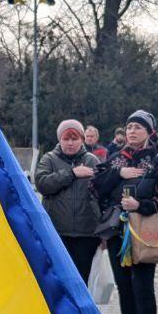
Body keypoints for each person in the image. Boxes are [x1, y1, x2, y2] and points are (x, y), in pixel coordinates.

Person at [92, 110, 158, 314]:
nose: (132, 132)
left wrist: (142, 204)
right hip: (117, 234)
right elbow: (97, 187)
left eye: (138, 127)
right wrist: (119, 175)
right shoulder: (116, 159)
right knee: (124, 289)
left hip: (141, 236)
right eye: (129, 127)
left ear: (149, 132)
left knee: (142, 290)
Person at [36, 119, 102, 281]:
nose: (70, 143)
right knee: (58, 282)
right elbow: (42, 184)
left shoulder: (92, 161)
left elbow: (102, 194)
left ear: (82, 139)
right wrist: (72, 173)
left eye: (75, 139)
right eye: (66, 139)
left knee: (81, 281)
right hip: (57, 232)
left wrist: (103, 230)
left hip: (86, 234)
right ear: (60, 140)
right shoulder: (49, 159)